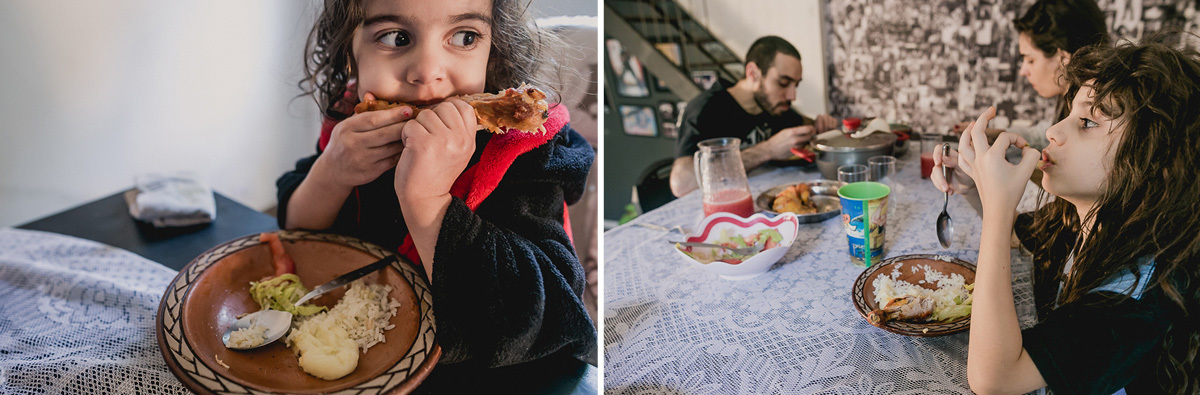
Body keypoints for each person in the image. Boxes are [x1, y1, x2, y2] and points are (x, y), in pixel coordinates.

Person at [276, 0, 596, 390]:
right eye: (395, 37)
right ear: (350, 54)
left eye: (464, 37)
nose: (428, 73)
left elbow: (544, 321)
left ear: (492, 49)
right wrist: (330, 173)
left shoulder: (526, 153)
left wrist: (427, 201)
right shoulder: (354, 124)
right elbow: (296, 229)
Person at [947, 39, 1200, 394]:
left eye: (1086, 122)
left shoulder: (1132, 297)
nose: (1053, 131)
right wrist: (974, 184)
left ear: (1153, 164)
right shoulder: (1082, 218)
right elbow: (1014, 236)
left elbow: (995, 378)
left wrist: (998, 209)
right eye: (1068, 113)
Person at [940, 0, 1109, 219]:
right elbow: (1042, 134)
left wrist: (1001, 172)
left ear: (1063, 59)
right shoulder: (1072, 102)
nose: (1023, 71)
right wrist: (1000, 137)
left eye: (1030, 59)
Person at [668, 35, 838, 197]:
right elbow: (681, 183)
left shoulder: (774, 106)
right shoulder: (706, 109)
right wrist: (768, 150)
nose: (792, 96)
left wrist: (821, 126)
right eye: (783, 83)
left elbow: (805, 127)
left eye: (796, 85)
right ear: (753, 73)